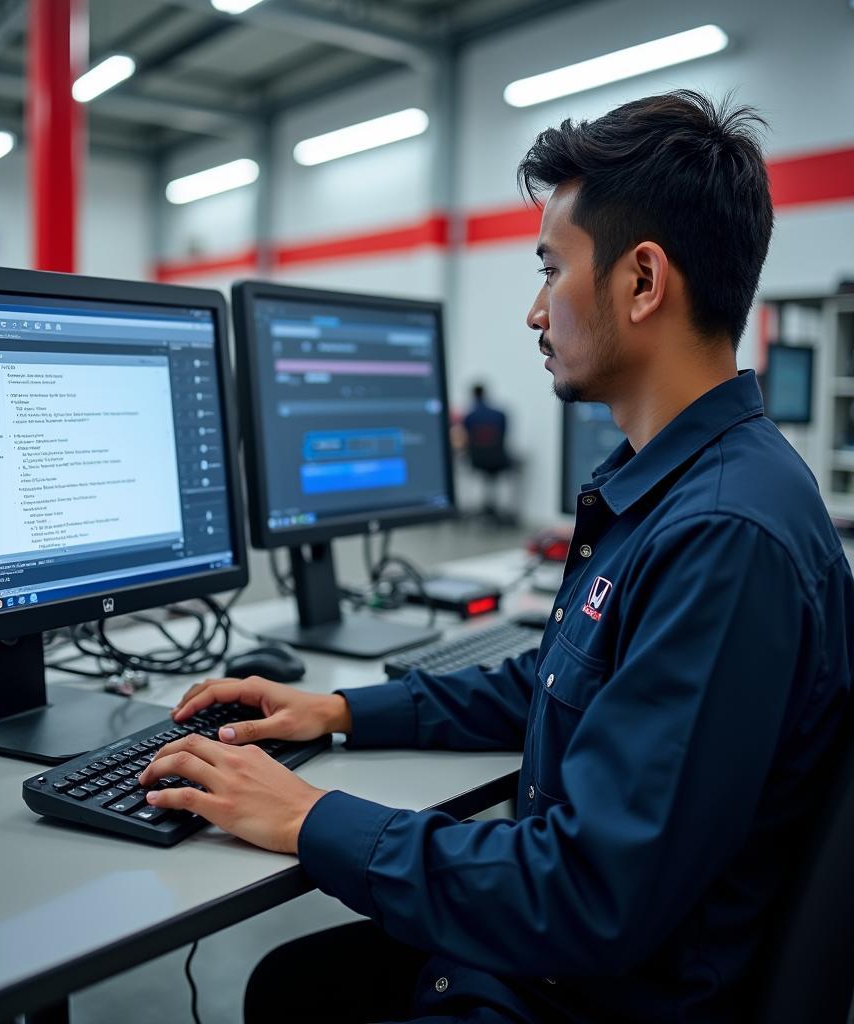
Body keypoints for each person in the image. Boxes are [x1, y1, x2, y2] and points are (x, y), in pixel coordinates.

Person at [137, 91, 854, 1022]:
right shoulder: (685, 488)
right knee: (291, 985)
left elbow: (587, 896)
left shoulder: (722, 537)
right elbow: (556, 682)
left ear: (643, 283)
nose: (533, 311)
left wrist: (310, 818)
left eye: (552, 269)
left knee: (294, 992)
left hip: (602, 993)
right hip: (592, 965)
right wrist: (342, 708)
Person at [462, 383, 518, 522]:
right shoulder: (500, 414)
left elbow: (467, 441)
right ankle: (493, 509)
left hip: (478, 460)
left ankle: (487, 507)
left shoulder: (469, 417)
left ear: (473, 396)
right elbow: (504, 437)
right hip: (498, 459)